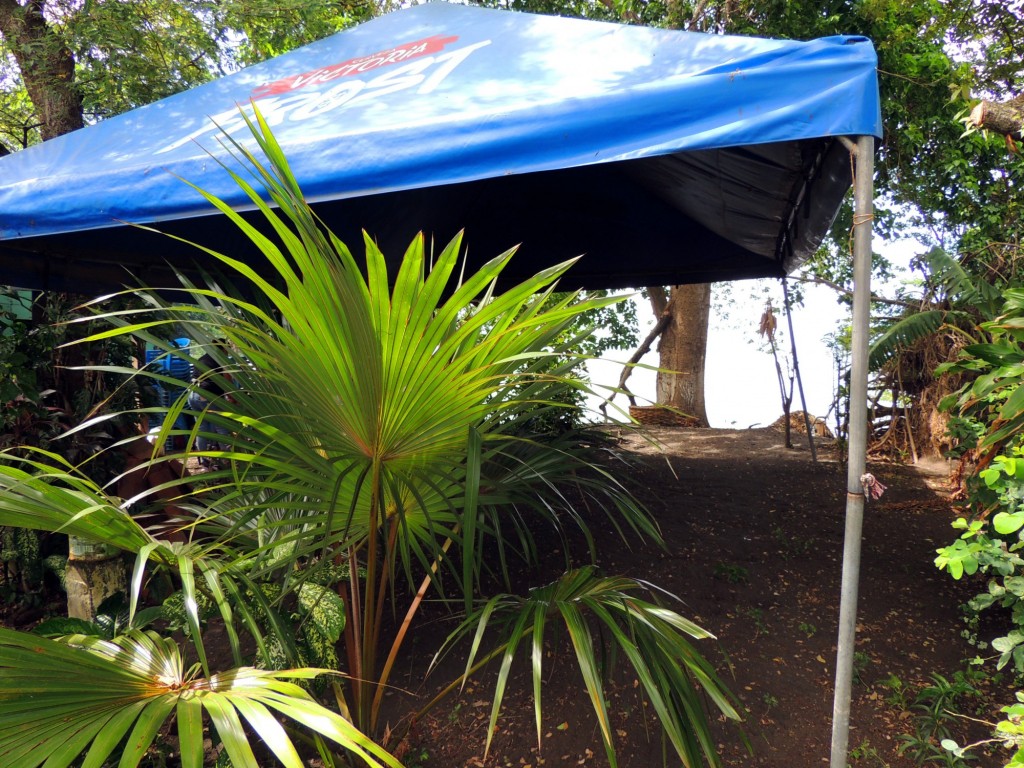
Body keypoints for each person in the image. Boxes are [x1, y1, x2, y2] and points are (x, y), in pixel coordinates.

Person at [187, 341, 233, 466]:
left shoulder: (203, 358)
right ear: (222, 349)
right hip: (208, 396)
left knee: (201, 427)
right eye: (227, 350)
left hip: (193, 395)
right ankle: (227, 460)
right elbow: (227, 380)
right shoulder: (221, 360)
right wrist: (233, 398)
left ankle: (204, 461)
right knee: (221, 426)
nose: (228, 353)